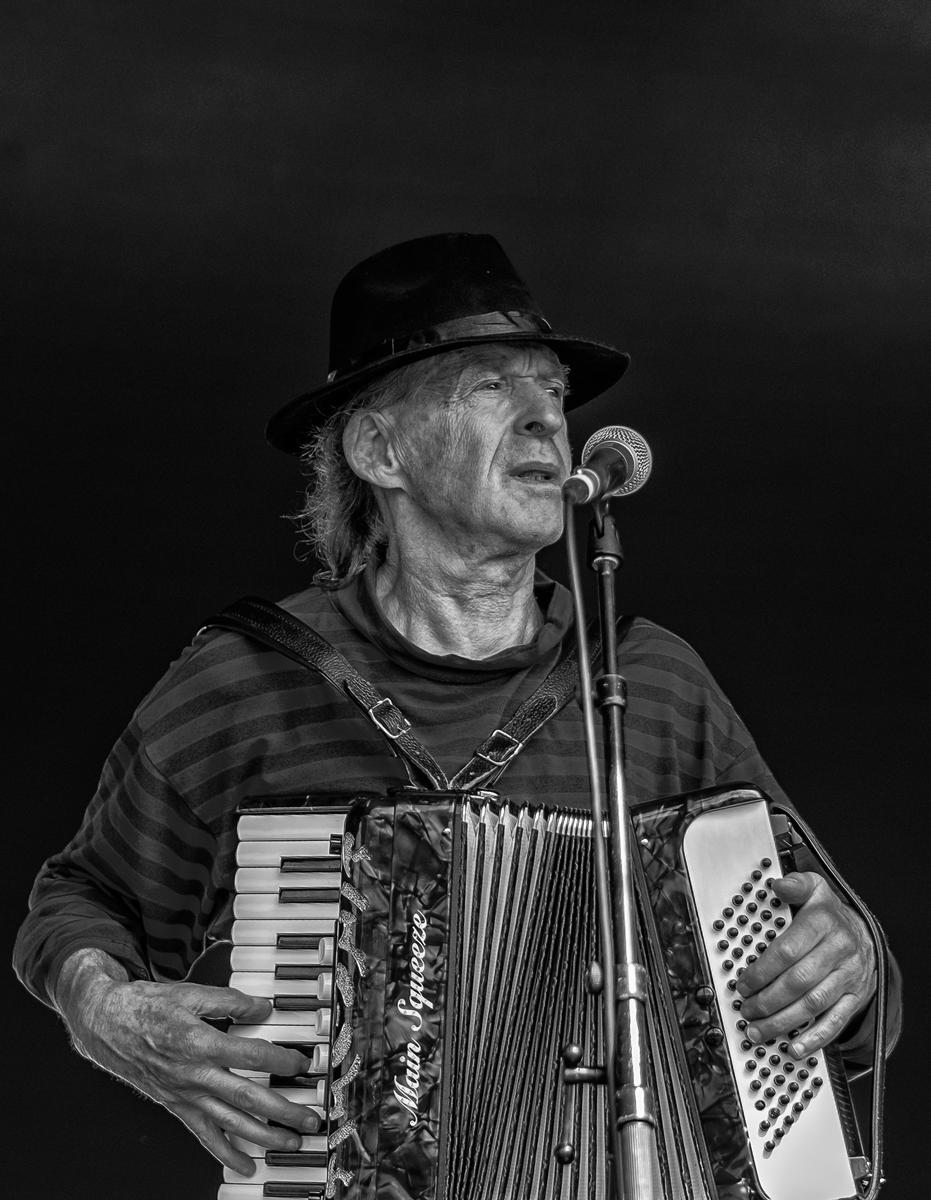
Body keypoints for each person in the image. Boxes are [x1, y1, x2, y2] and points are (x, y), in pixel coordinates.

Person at [13, 233, 899, 1184]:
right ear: (378, 448)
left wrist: (848, 968)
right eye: (490, 387)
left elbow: (851, 983)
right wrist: (111, 1017)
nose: (544, 422)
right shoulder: (246, 682)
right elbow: (79, 902)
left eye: (552, 392)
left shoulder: (653, 681)